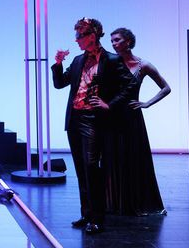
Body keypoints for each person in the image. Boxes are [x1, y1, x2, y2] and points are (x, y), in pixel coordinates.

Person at [52, 18, 137, 234]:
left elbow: (130, 84)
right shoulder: (78, 60)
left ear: (92, 36)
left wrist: (110, 104)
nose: (76, 40)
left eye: (79, 35)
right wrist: (58, 63)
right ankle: (86, 214)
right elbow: (60, 83)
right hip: (75, 119)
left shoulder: (111, 60)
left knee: (91, 168)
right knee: (81, 169)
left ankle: (98, 218)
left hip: (93, 120)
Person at [107, 27, 168, 216]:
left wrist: (147, 103)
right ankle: (114, 204)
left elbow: (166, 88)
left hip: (132, 117)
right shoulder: (110, 62)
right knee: (112, 160)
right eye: (112, 41)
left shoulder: (143, 65)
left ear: (128, 41)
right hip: (112, 116)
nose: (113, 44)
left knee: (133, 159)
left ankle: (136, 202)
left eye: (117, 40)